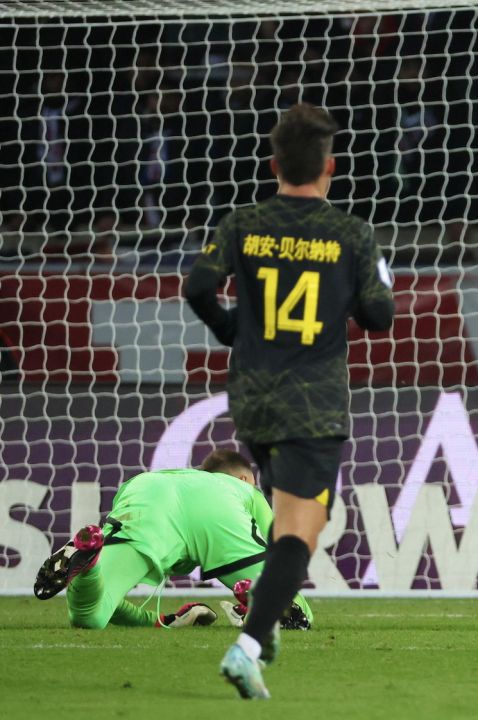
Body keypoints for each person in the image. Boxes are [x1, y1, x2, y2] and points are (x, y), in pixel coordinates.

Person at [184, 103, 395, 699]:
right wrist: (368, 278)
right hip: (314, 400)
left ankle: (264, 622)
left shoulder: (241, 223)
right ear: (329, 167)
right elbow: (380, 316)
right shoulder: (350, 233)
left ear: (275, 163)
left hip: (252, 397)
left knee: (288, 521)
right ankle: (248, 646)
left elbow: (198, 287)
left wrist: (232, 332)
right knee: (301, 532)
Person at [32, 449, 311, 631]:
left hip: (147, 493)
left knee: (90, 616)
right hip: (218, 514)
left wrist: (156, 622)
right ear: (243, 478)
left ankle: (89, 561)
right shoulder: (242, 489)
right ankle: (258, 598)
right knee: (300, 615)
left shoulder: (169, 477)